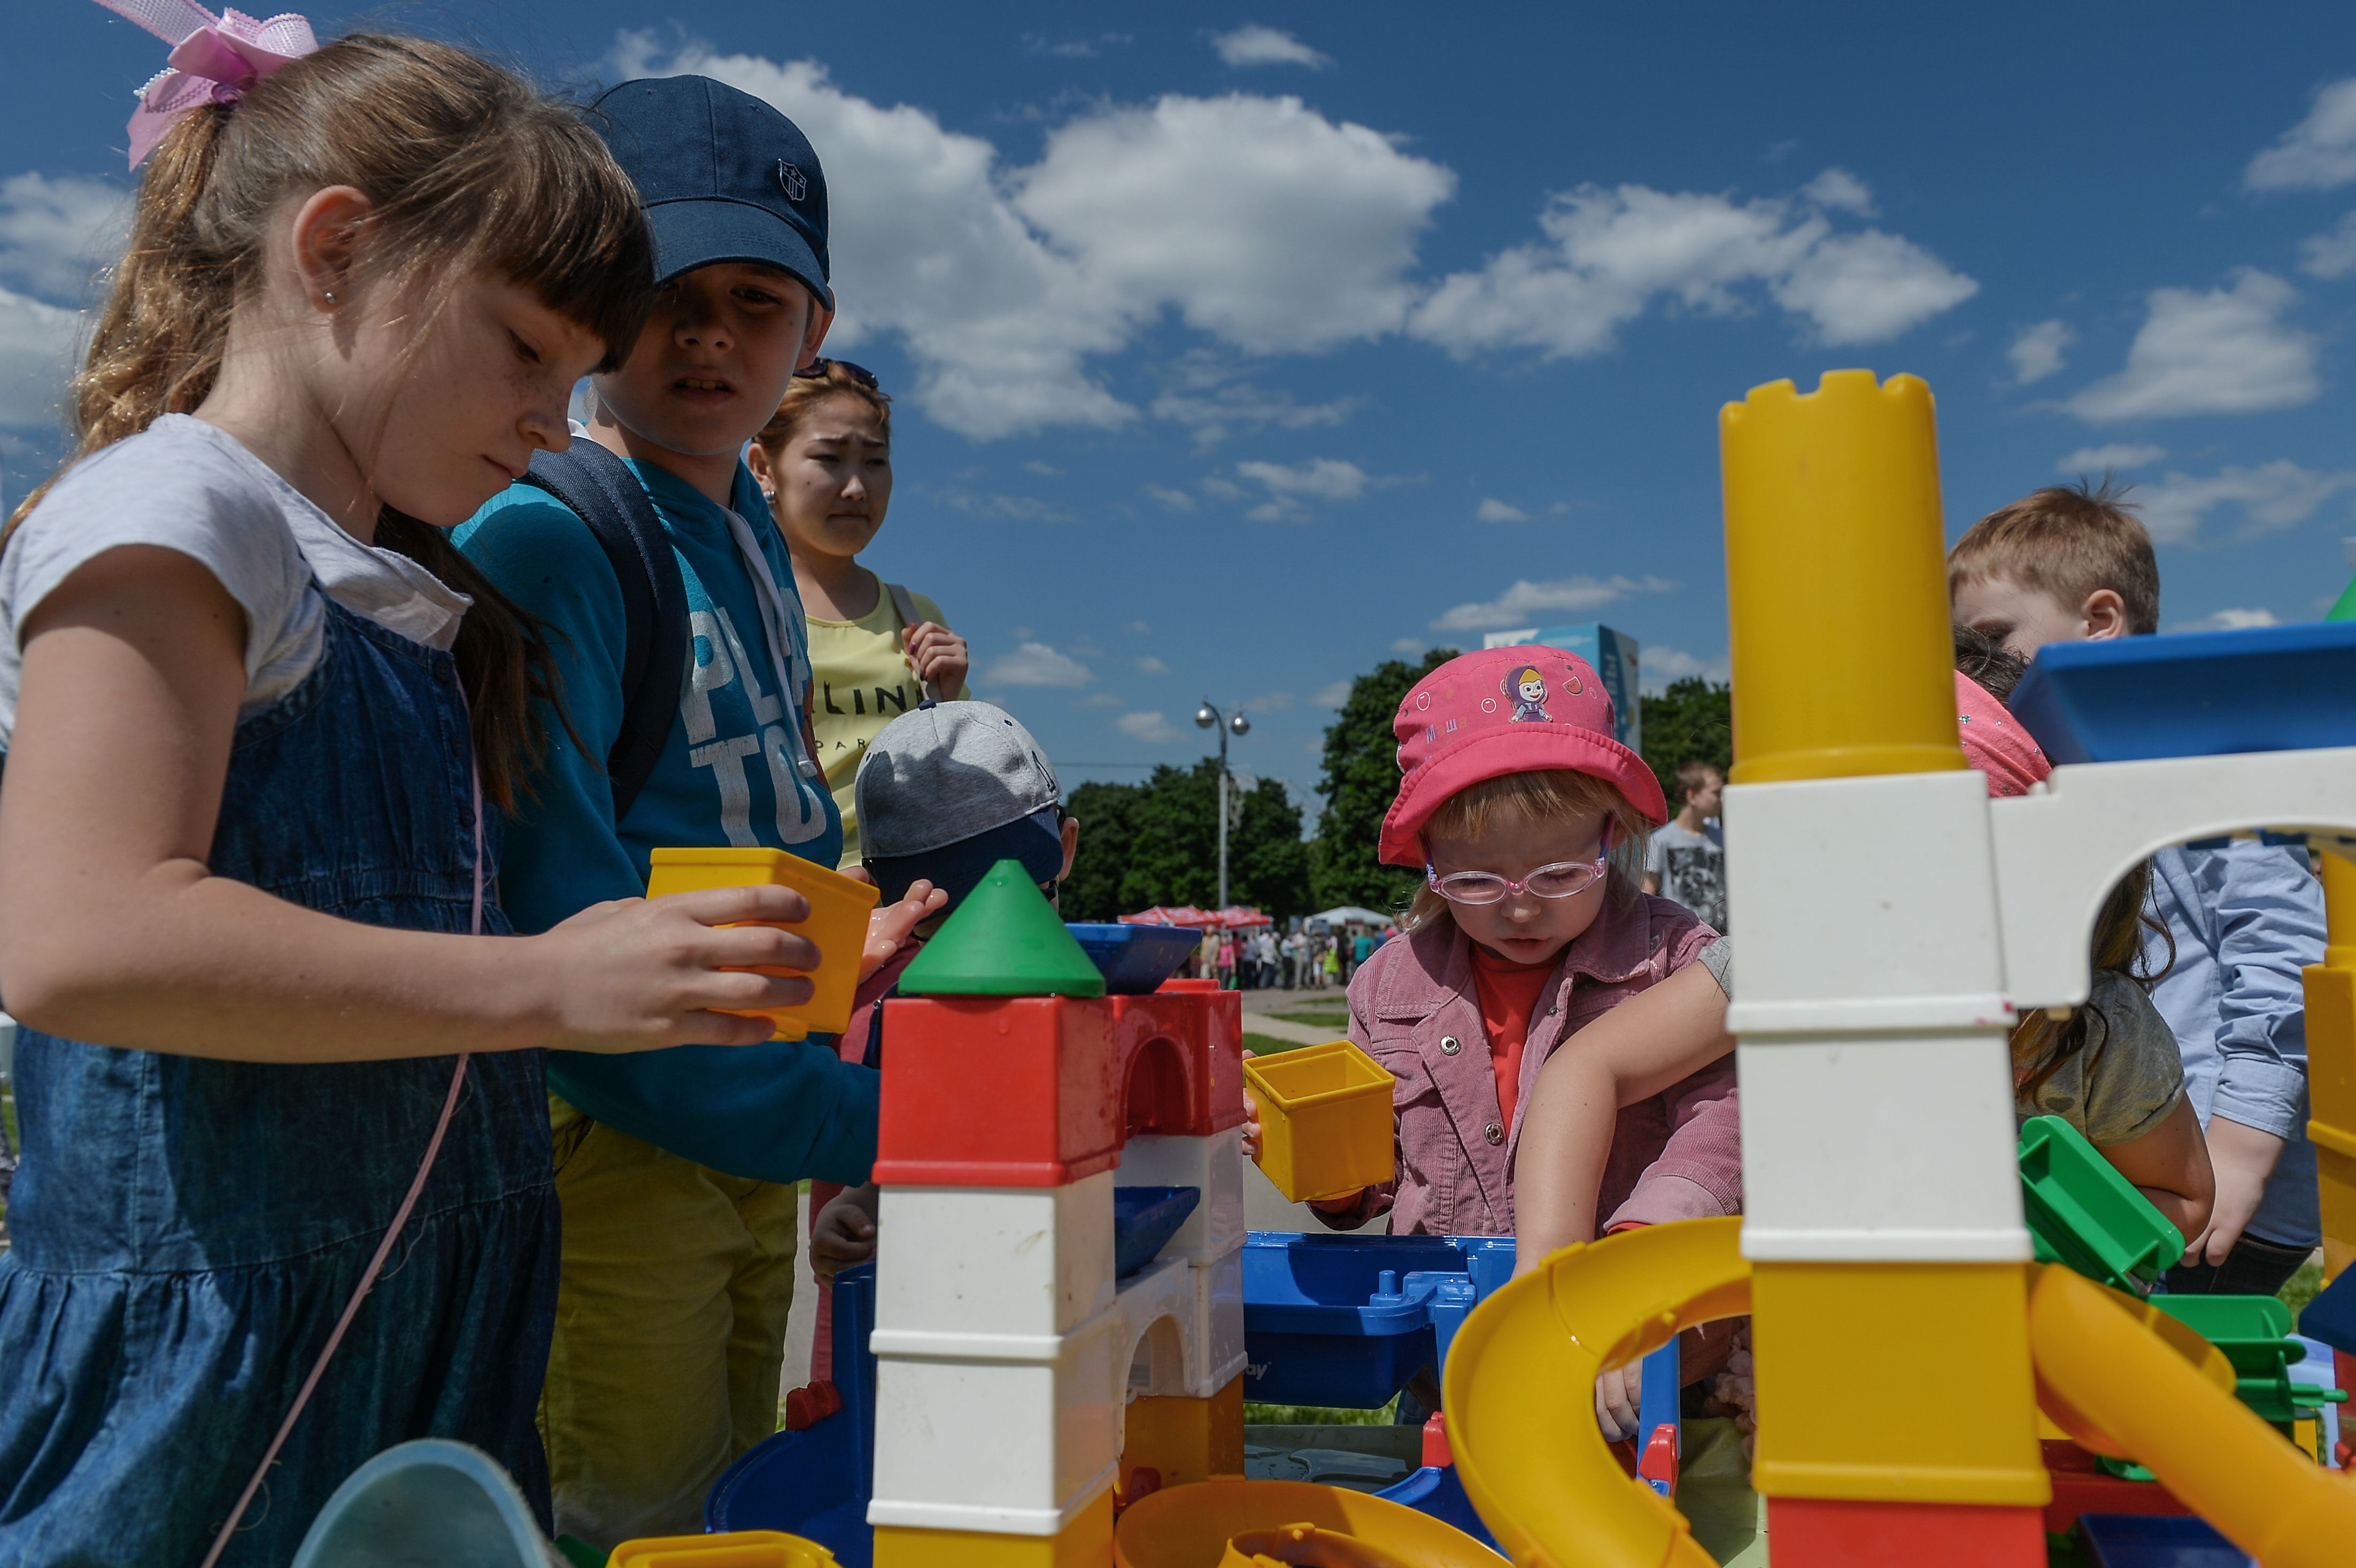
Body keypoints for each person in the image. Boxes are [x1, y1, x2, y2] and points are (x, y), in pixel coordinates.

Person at [0, 30, 843, 1562]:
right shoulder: (173, 508)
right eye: (527, 350)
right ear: (334, 248)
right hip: (216, 1352)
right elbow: (80, 936)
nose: (548, 419)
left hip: (416, 1305)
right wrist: (544, 982)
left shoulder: (397, 582)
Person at [454, 77, 937, 1547]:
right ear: (583, 301)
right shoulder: (548, 532)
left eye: (754, 295)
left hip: (744, 1099)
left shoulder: (743, 527)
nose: (709, 332)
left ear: (814, 324)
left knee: (733, 1484)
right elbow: (562, 914)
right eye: (660, 291)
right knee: (640, 1504)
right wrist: (870, 1115)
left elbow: (770, 815)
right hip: (621, 1120)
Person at [1243, 647, 1741, 1420]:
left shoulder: (1673, 961)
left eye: (1556, 876)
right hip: (1449, 1368)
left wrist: (1642, 1250)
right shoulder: (1388, 984)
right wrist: (1315, 1155)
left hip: (1635, 1354)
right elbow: (1375, 1175)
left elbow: (1722, 1118)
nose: (1518, 908)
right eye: (1475, 881)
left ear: (1610, 836)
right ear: (1429, 861)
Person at [1952, 482, 2316, 1295]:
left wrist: (2242, 1140)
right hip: (2127, 1159)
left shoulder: (2198, 765)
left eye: (1991, 638)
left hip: (2218, 1178)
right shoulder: (2055, 781)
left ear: (2099, 620)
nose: (1975, 672)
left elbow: (2279, 946)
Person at [804, 701, 1083, 1298]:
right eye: (941, 918)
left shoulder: (1097, 998)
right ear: (885, 900)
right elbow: (895, 1152)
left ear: (1066, 848)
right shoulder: (890, 1014)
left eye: (1013, 899)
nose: (983, 942)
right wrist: (848, 1222)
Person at [746, 360, 970, 867]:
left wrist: (951, 705)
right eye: (829, 458)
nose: (856, 488)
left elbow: (955, 774)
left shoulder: (914, 612)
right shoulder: (733, 600)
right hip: (781, 894)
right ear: (762, 467)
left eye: (875, 461)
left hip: (910, 897)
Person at [1642, 760, 1727, 933]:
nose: (1722, 799)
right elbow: (1646, 897)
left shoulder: (1724, 838)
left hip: (1723, 942)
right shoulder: (1660, 840)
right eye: (1716, 793)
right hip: (1682, 942)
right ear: (1692, 796)